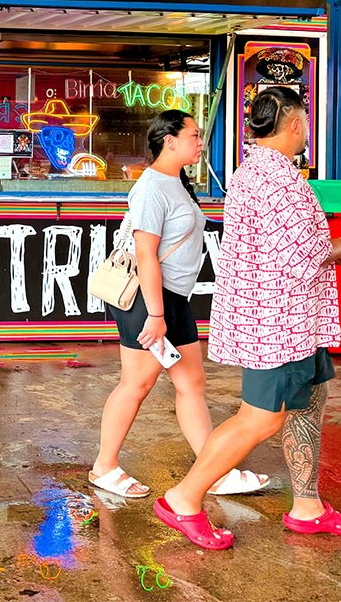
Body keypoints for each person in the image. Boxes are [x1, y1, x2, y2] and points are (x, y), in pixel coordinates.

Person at [154, 87, 341, 550]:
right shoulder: (276, 179)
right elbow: (300, 256)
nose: (307, 129)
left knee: (309, 399)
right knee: (260, 418)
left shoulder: (260, 172)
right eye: (306, 120)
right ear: (294, 124)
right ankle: (183, 499)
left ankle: (308, 506)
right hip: (279, 322)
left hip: (293, 319)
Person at [90, 110, 269, 500]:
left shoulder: (175, 183)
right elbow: (145, 254)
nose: (200, 142)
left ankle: (214, 471)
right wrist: (155, 315)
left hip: (172, 298)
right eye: (194, 135)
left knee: (191, 384)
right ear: (169, 141)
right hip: (147, 299)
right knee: (137, 383)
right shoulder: (152, 187)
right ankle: (104, 466)